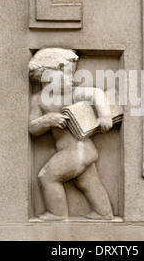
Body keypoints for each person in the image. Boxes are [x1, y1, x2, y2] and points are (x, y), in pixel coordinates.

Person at [28, 47, 114, 221]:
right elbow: (33, 128)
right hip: (81, 152)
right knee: (88, 183)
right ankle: (104, 213)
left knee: (47, 177)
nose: (71, 79)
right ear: (46, 77)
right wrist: (48, 120)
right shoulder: (38, 100)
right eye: (66, 75)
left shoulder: (73, 93)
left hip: (79, 150)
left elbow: (97, 94)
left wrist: (105, 115)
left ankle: (57, 214)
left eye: (72, 74)